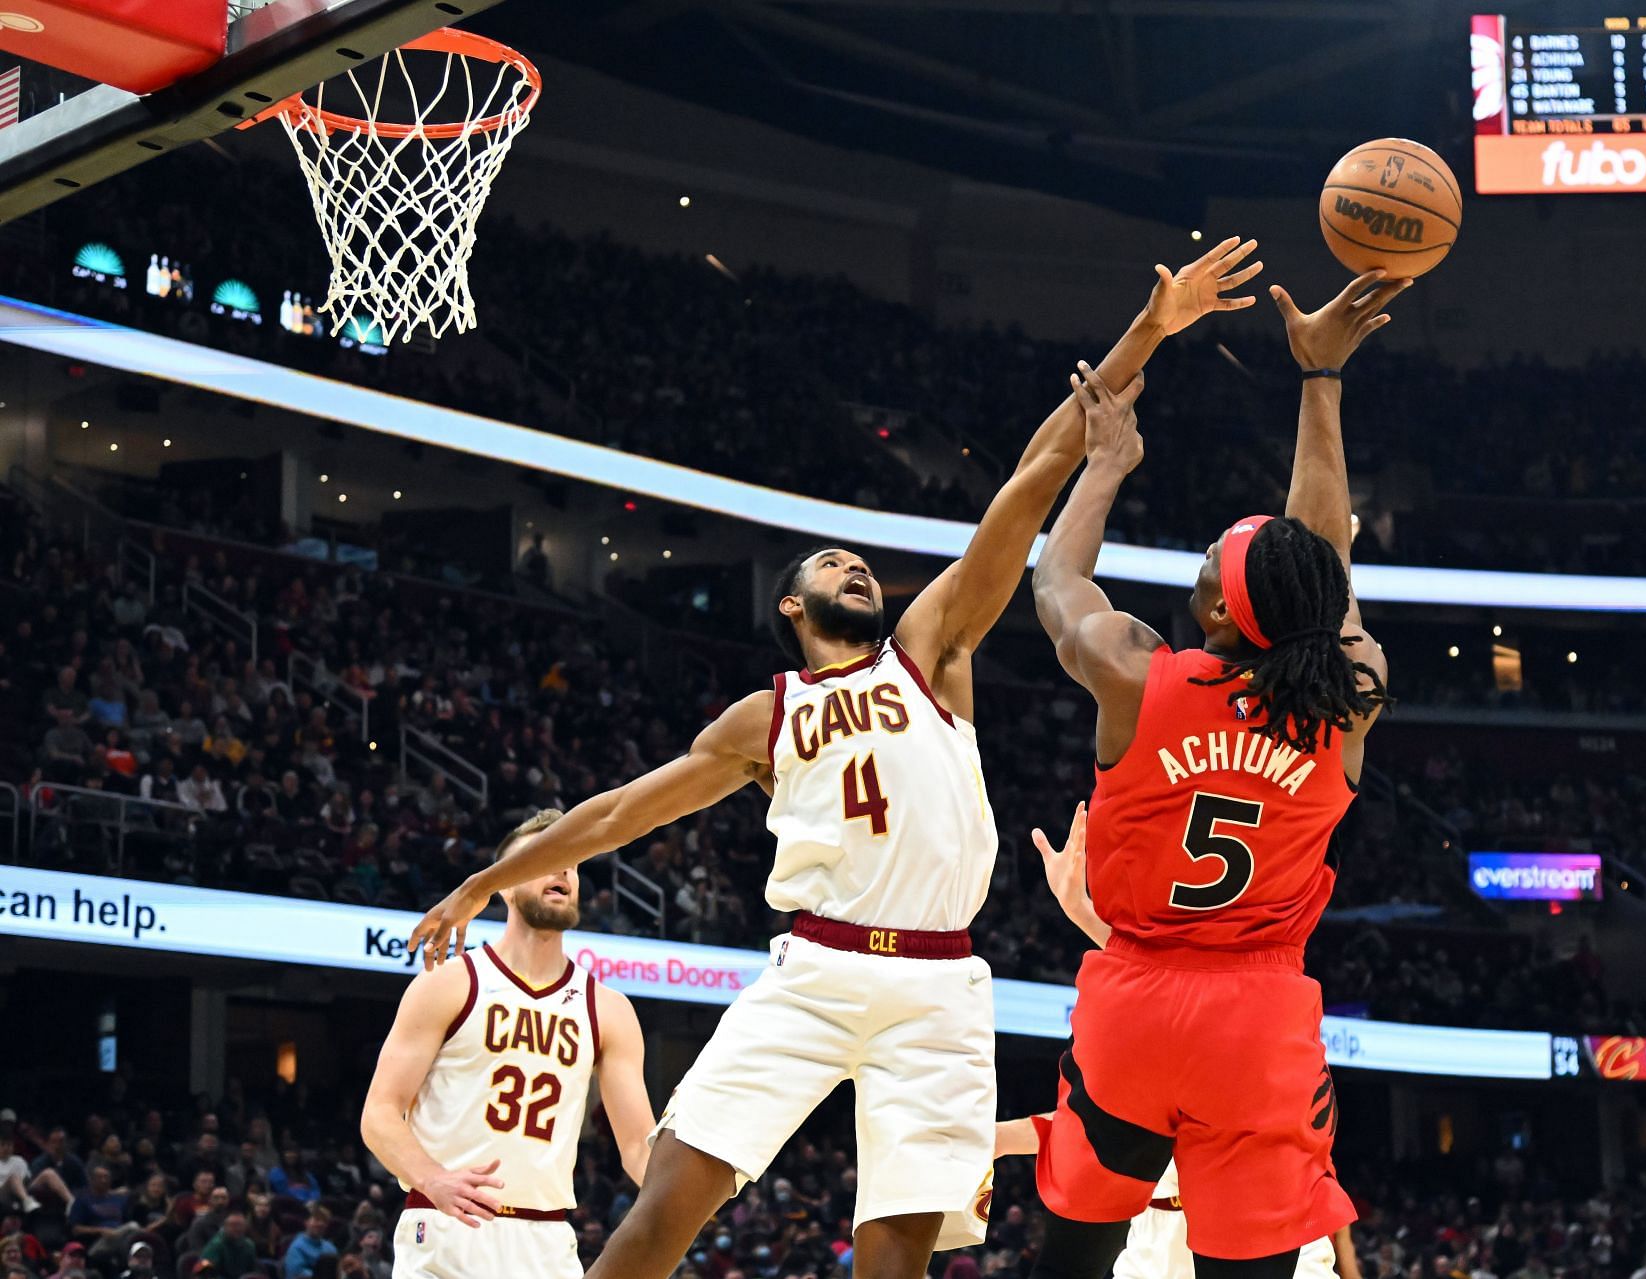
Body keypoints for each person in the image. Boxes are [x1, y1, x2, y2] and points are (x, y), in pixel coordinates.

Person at [407, 237, 1266, 1279]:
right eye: (831, 563)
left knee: (897, 1252)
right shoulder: (760, 718)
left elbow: (1029, 480)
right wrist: (479, 881)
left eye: (860, 563)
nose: (854, 567)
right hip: (813, 965)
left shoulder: (934, 649)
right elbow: (616, 816)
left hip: (941, 983)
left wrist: (1149, 333)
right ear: (790, 603)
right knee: (670, 1199)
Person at [1022, 271, 1402, 1279]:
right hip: (1257, 1013)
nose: (1202, 562)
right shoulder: (1348, 696)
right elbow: (1321, 564)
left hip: (1136, 997)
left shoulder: (1133, 670)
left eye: (1209, 562)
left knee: (1070, 1260)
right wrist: (1319, 375)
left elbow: (1056, 581)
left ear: (1223, 616)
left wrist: (1107, 464)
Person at [995, 807, 1362, 1279]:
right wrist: (1078, 908)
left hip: (1263, 1227)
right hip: (1155, 1232)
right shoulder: (1168, 998)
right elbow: (1156, 979)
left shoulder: (1254, 1002)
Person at [366, 811, 653, 1279]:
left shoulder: (610, 1009)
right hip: (446, 1227)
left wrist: (696, 1186)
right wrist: (431, 1177)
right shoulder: (450, 983)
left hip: (546, 1242)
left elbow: (639, 1150)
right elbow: (379, 1113)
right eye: (548, 856)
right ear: (502, 884)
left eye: (574, 861)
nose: (564, 869)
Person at [284, 1206, 338, 1278]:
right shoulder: (297, 1247)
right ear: (306, 1222)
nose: (321, 1224)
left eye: (324, 1221)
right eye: (317, 1220)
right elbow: (296, 1273)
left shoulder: (331, 1248)